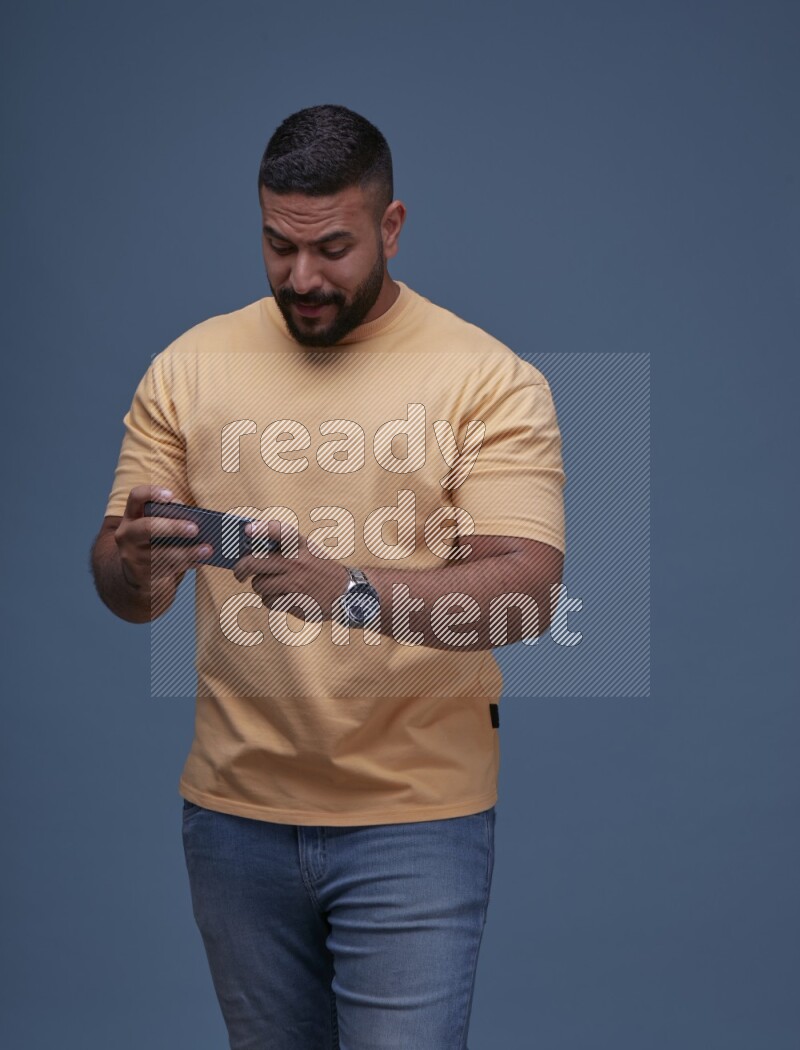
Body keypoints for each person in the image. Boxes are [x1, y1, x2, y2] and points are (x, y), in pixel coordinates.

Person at [91, 103, 566, 1050]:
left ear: (391, 227)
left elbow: (526, 593)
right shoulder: (186, 368)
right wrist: (134, 562)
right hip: (232, 817)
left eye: (333, 248)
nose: (301, 278)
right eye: (277, 245)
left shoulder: (489, 380)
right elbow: (124, 591)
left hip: (415, 822)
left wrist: (346, 590)